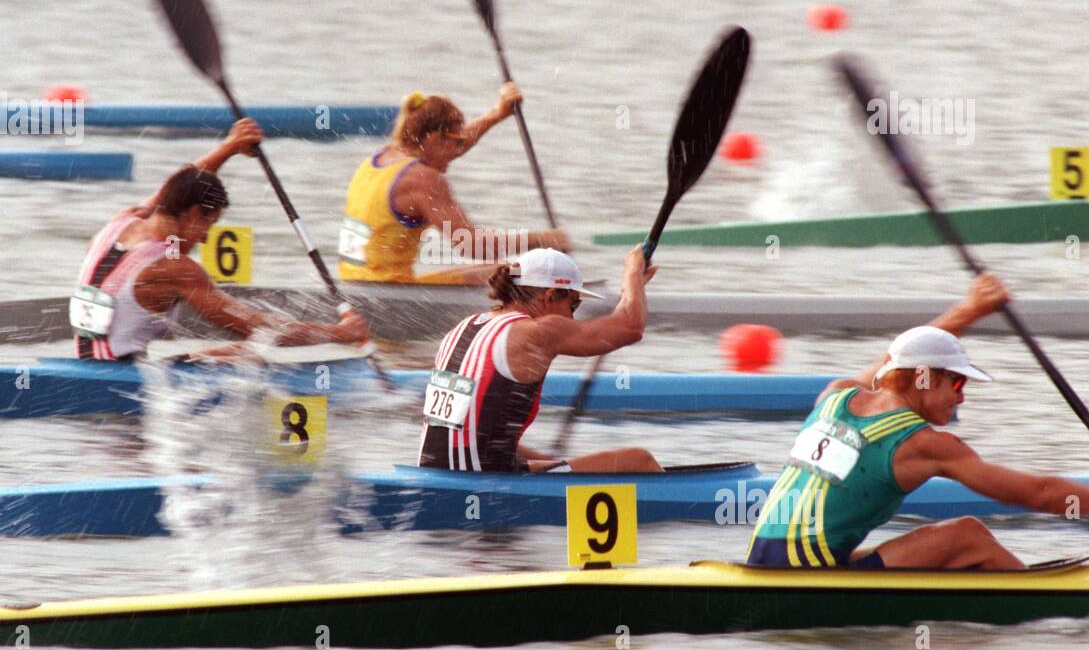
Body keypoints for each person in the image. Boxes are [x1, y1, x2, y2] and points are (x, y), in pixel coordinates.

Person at [747, 273, 1089, 570]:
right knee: (968, 537)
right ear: (926, 377)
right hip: (806, 571)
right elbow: (1038, 493)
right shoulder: (923, 444)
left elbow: (895, 358)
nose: (962, 396)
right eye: (957, 382)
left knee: (954, 545)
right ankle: (1043, 611)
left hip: (763, 559)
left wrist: (972, 309)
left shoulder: (837, 395)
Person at [72, 117, 368, 361]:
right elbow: (257, 327)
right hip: (124, 382)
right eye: (208, 225)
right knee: (256, 351)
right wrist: (339, 334)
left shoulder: (122, 221)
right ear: (194, 213)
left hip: (88, 364)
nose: (203, 239)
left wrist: (230, 147)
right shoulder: (175, 267)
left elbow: (174, 188)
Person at [418, 246, 663, 473]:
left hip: (435, 472)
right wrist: (632, 274)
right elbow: (630, 327)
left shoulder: (462, 328)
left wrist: (548, 461)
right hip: (484, 483)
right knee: (639, 461)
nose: (573, 315)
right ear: (548, 297)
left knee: (551, 462)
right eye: (573, 304)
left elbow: (468, 429)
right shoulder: (538, 331)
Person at [338, 85, 569, 284]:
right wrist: (542, 239)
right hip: (388, 291)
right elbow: (472, 246)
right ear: (435, 139)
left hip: (352, 283)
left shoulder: (379, 159)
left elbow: (459, 141)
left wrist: (498, 113)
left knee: (501, 269)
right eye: (455, 143)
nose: (458, 151)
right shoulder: (424, 179)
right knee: (522, 274)